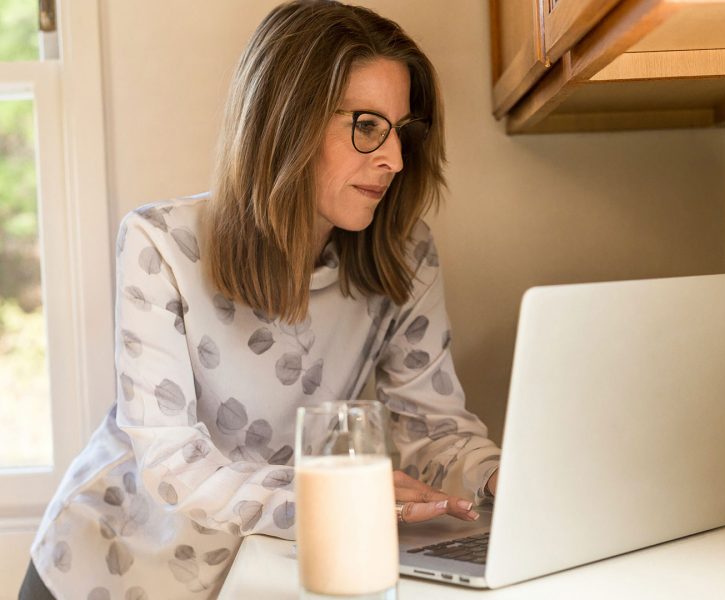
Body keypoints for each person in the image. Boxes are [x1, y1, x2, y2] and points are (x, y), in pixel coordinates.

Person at [20, 1, 501, 598]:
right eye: (367, 126)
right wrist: (335, 496)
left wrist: (497, 476)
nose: (394, 160)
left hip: (253, 577)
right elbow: (172, 466)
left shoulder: (405, 256)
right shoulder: (160, 244)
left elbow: (431, 431)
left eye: (401, 131)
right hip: (104, 571)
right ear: (286, 123)